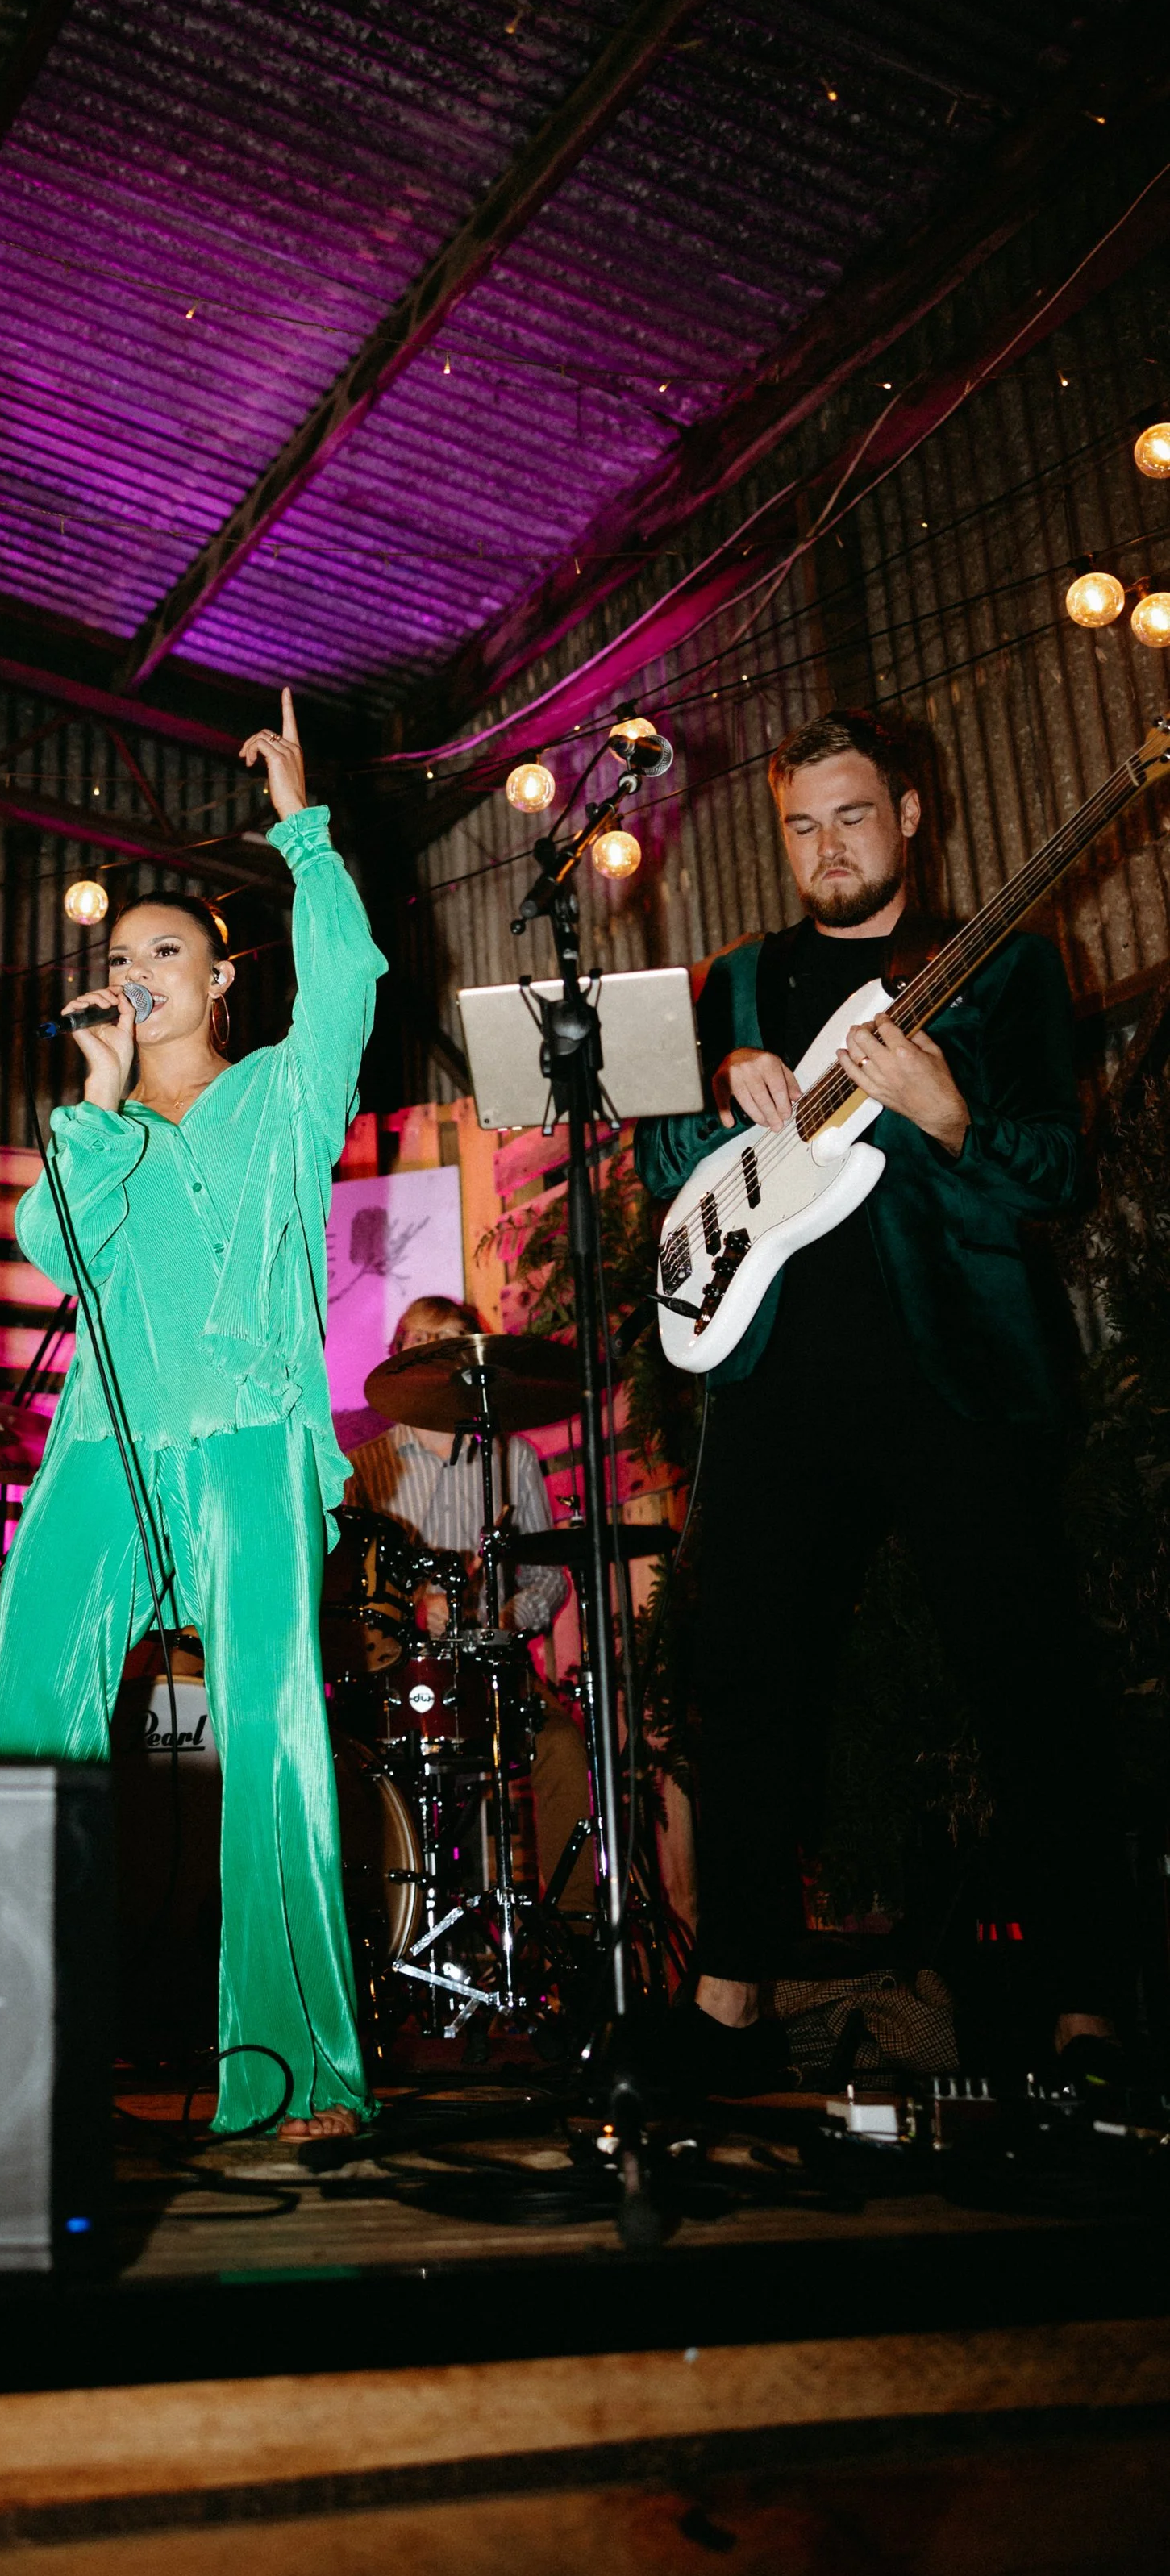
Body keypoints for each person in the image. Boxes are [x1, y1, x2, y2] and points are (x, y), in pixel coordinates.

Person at [634, 709, 1118, 2087]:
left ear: (911, 813)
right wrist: (719, 1096)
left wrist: (950, 1114)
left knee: (1028, 1682)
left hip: (952, 1375)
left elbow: (1056, 1171)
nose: (826, 846)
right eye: (800, 824)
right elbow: (665, 1167)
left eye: (851, 816)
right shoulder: (736, 976)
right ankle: (729, 2002)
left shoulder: (1007, 968)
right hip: (778, 1382)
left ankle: (1089, 2008)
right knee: (746, 1689)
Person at [0, 689, 383, 2140]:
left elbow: (350, 978)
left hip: (249, 1441)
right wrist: (94, 1104)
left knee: (271, 1739)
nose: (139, 973)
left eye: (168, 954)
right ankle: (0, 2061)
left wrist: (303, 831)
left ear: (221, 981)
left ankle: (289, 2073)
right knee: (28, 1709)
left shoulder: (284, 1092)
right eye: (121, 958)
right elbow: (48, 1247)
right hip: (103, 1448)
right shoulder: (94, 1130)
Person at [345, 1293, 592, 1912]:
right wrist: (409, 1609)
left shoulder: (512, 1459)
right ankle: (383, 1932)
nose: (435, 1355)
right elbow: (352, 1591)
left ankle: (576, 1929)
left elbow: (550, 1579)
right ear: (396, 1359)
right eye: (420, 1343)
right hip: (397, 1675)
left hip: (495, 1667)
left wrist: (507, 1621)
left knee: (561, 1746)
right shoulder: (362, 1469)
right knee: (348, 1762)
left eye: (451, 1342)